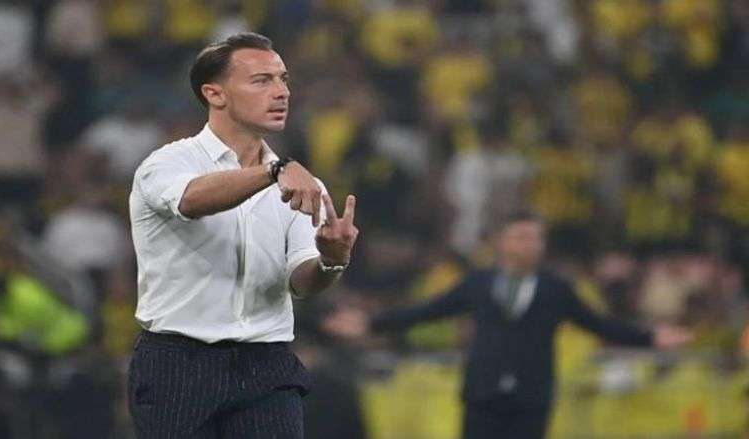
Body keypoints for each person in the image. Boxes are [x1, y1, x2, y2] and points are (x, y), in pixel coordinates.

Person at [127, 32, 359, 438]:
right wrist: (273, 172)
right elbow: (190, 200)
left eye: (283, 79)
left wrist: (332, 260)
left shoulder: (303, 183)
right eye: (261, 80)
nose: (281, 92)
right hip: (178, 364)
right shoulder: (166, 163)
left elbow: (301, 282)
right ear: (215, 94)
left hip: (266, 363)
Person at [368, 212, 691, 439]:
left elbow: (596, 324)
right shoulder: (478, 283)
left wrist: (649, 337)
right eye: (522, 237)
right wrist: (373, 324)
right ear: (502, 243)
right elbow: (428, 311)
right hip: (483, 394)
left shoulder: (556, 290)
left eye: (536, 238)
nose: (530, 244)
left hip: (531, 397)